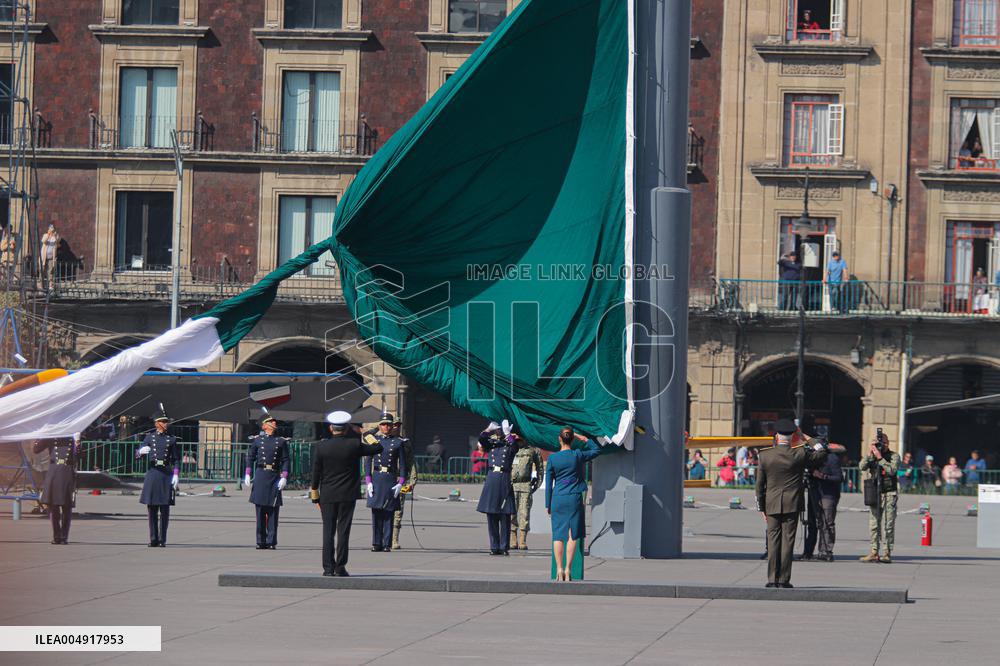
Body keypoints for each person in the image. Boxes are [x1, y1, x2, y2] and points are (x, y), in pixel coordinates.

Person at [754, 419, 829, 588]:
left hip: (772, 504)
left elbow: (759, 486)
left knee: (773, 541)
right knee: (788, 542)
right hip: (793, 503)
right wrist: (805, 437)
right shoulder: (800, 453)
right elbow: (822, 451)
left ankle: (772, 579)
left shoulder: (765, 455)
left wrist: (761, 507)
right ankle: (784, 579)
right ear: (793, 436)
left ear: (776, 436)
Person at [310, 411, 383, 577]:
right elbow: (378, 448)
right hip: (347, 494)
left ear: (331, 428)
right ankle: (340, 567)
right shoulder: (353, 444)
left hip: (327, 494)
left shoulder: (321, 447)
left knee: (328, 531)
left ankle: (328, 568)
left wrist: (315, 494)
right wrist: (365, 433)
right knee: (343, 530)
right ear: (346, 428)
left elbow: (316, 472)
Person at [546, 426, 604, 581]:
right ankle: (568, 569)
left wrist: (548, 504)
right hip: (574, 498)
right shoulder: (578, 455)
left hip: (558, 498)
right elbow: (597, 450)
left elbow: (549, 483)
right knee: (573, 535)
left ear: (559, 439)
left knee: (558, 535)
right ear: (572, 439)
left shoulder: (552, 458)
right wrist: (583, 438)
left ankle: (559, 569)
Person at [476, 420, 522, 555]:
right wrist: (487, 429)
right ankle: (494, 547)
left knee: (505, 515)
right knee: (491, 515)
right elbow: (481, 439)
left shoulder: (510, 444)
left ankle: (503, 547)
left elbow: (515, 447)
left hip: (504, 478)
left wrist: (508, 434)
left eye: (501, 430)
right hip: (492, 479)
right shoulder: (491, 443)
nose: (499, 432)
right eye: (499, 430)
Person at [244, 414, 289, 550]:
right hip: (261, 475)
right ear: (264, 426)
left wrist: (284, 476)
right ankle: (260, 541)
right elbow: (250, 457)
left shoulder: (281, 441)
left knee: (273, 511)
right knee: (260, 511)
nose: (274, 423)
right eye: (270, 421)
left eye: (274, 421)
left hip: (274, 476)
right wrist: (247, 473)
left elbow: (286, 460)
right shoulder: (258, 440)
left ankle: (271, 541)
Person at [364, 412, 406, 552]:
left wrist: (401, 482)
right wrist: (368, 481)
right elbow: (368, 461)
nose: (385, 427)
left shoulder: (398, 442)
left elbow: (403, 464)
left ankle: (387, 543)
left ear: (392, 426)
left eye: (388, 425)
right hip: (377, 478)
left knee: (389, 512)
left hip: (390, 478)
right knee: (376, 512)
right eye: (382, 425)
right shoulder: (374, 440)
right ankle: (377, 543)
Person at [137, 411, 179, 547]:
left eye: (166, 422)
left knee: (164, 509)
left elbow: (176, 459)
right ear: (157, 423)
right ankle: (153, 539)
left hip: (165, 474)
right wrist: (140, 452)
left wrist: (176, 474)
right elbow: (139, 453)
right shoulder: (149, 438)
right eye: (163, 421)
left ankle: (162, 539)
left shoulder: (171, 439)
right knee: (152, 509)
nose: (166, 424)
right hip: (153, 473)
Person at [859, 431, 900, 563]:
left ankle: (887, 552)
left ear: (888, 444)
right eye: (878, 444)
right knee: (874, 524)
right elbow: (862, 467)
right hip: (875, 493)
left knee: (888, 524)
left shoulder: (894, 456)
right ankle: (874, 551)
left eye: (883, 443)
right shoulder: (872, 457)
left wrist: (880, 458)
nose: (881, 446)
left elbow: (892, 470)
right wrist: (870, 454)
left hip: (889, 494)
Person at [33, 435, 79, 545]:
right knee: (53, 506)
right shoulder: (51, 437)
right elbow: (36, 450)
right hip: (54, 472)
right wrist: (41, 435)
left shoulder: (73, 438)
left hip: (67, 471)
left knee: (66, 507)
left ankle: (64, 536)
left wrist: (77, 444)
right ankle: (56, 536)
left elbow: (80, 456)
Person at [509, 437, 543, 550]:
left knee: (525, 513)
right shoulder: (511, 447)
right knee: (511, 513)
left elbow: (540, 469)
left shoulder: (532, 450)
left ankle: (522, 539)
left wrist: (537, 484)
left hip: (525, 486)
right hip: (512, 486)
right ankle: (513, 537)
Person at [812, 441, 842, 561]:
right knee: (820, 523)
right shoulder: (814, 459)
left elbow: (839, 477)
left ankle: (827, 551)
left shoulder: (832, 458)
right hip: (817, 493)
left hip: (829, 495)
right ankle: (821, 550)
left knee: (828, 523)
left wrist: (822, 476)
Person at [391, 417, 417, 550]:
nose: (396, 427)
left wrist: (413, 480)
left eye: (398, 425)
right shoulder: (383, 441)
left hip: (400, 480)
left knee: (398, 510)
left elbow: (411, 461)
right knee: (383, 510)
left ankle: (394, 539)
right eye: (394, 425)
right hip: (386, 479)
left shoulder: (405, 442)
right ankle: (383, 537)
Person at [39, 223, 59, 289]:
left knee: (51, 271)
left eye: (53, 228)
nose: (52, 230)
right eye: (51, 228)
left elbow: (58, 241)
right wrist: (48, 235)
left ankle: (51, 285)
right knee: (42, 270)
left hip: (51, 257)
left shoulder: (56, 236)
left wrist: (54, 235)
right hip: (44, 257)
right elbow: (43, 241)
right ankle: (41, 285)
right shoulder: (45, 235)